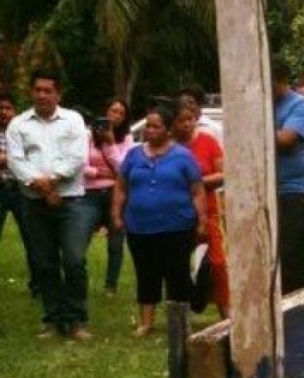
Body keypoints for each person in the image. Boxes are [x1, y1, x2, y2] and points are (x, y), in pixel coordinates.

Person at [6, 70, 90, 340]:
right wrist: (41, 188)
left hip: (70, 202)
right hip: (33, 203)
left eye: (48, 90)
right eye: (37, 90)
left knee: (75, 260)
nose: (42, 95)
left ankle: (77, 320)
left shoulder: (73, 120)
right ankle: (53, 319)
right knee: (44, 262)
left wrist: (52, 181)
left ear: (58, 94)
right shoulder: (18, 124)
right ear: (31, 93)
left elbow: (78, 157)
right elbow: (16, 161)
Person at [111, 105, 206, 337]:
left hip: (177, 226)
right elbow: (121, 186)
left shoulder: (183, 156)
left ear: (168, 130)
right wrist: (116, 213)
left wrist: (201, 220)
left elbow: (197, 190)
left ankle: (180, 323)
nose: (149, 131)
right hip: (140, 227)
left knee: (177, 274)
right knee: (146, 273)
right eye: (147, 126)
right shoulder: (134, 155)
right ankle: (146, 322)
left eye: (156, 127)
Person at [173, 103, 228, 318]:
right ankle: (181, 314)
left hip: (208, 211)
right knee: (178, 266)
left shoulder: (208, 141)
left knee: (218, 263)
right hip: (176, 213)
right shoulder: (170, 147)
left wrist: (197, 182)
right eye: (182, 120)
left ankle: (226, 310)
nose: (187, 124)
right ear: (173, 123)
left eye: (190, 119)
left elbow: (223, 174)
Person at [272, 57, 304, 295]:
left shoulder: (299, 105)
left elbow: (286, 140)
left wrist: (256, 124)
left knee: (293, 259)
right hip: (266, 191)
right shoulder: (263, 104)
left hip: (291, 192)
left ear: (283, 81)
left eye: (271, 84)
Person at [81, 98, 134, 297]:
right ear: (105, 112)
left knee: (115, 242)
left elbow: (123, 169)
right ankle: (78, 280)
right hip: (90, 193)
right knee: (80, 238)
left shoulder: (126, 138)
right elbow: (80, 166)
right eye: (113, 111)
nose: (116, 116)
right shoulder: (86, 135)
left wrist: (111, 143)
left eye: (121, 113)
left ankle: (110, 286)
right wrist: (99, 173)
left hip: (115, 193)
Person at [0, 92, 37, 298]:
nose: (4, 112)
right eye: (0, 108)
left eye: (8, 108)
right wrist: (14, 159)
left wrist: (9, 159)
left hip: (20, 189)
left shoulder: (22, 132)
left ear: (14, 111)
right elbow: (17, 159)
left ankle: (37, 285)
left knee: (32, 238)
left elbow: (30, 158)